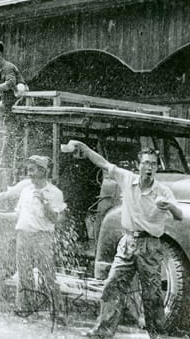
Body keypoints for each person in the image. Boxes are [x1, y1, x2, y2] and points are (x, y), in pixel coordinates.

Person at [67, 142, 183, 339]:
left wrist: (169, 207)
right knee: (112, 285)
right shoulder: (127, 179)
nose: (149, 167)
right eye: (146, 163)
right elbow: (103, 163)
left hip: (150, 246)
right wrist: (84, 149)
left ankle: (157, 335)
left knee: (153, 294)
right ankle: (103, 331)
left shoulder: (163, 191)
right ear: (138, 165)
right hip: (127, 242)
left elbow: (179, 215)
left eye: (153, 164)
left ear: (157, 167)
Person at [0, 155, 66, 321]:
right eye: (28, 170)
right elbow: (17, 216)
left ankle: (58, 312)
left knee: (48, 275)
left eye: (32, 170)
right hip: (23, 236)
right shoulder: (26, 191)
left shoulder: (55, 193)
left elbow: (56, 219)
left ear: (43, 171)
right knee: (24, 276)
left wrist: (44, 202)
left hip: (42, 237)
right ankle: (26, 310)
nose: (29, 174)